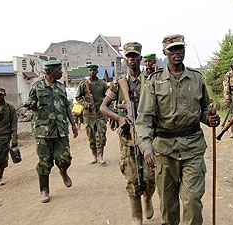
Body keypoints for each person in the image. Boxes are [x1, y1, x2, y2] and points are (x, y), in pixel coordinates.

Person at [135, 34, 220, 225]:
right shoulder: (154, 82)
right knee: (168, 206)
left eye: (180, 48)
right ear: (164, 52)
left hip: (193, 149)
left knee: (192, 203)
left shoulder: (197, 79)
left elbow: (204, 109)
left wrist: (210, 118)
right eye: (172, 49)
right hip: (164, 151)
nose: (177, 52)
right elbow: (144, 119)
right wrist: (147, 146)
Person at [100, 42, 156, 225]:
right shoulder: (118, 84)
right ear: (126, 59)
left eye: (135, 56)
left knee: (149, 177)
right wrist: (119, 118)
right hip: (127, 139)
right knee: (132, 179)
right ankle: (136, 216)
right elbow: (103, 107)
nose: (132, 59)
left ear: (140, 59)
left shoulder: (151, 80)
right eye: (129, 56)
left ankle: (148, 198)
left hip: (148, 138)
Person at [27, 60, 78, 203]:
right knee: (44, 162)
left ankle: (63, 171)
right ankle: (44, 190)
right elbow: (30, 103)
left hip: (61, 129)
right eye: (59, 70)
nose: (62, 72)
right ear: (50, 72)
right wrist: (32, 105)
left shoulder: (61, 87)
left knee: (65, 158)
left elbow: (67, 106)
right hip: (43, 131)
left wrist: (73, 125)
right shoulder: (37, 86)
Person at [76, 64, 108, 164]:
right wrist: (86, 104)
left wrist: (107, 110)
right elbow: (78, 98)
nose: (92, 72)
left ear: (97, 71)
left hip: (100, 113)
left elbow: (107, 98)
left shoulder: (102, 84)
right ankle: (94, 155)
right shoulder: (83, 84)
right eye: (90, 70)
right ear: (88, 72)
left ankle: (101, 155)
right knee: (91, 135)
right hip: (88, 114)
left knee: (101, 134)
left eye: (94, 70)